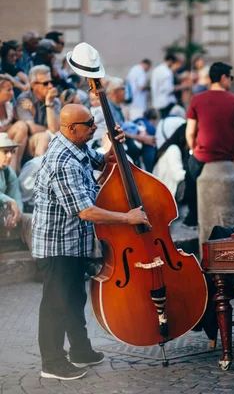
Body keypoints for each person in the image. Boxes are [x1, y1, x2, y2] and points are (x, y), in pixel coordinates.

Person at [32, 103, 150, 380]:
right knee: (56, 303)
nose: (95, 127)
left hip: (72, 242)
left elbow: (104, 161)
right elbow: (86, 211)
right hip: (57, 244)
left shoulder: (77, 146)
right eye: (89, 124)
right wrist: (127, 217)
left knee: (74, 298)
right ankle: (51, 362)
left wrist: (115, 147)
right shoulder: (63, 161)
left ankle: (80, 351)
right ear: (72, 128)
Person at [183, 62, 234, 228]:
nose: (231, 81)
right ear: (224, 77)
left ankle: (192, 217)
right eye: (231, 78)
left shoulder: (197, 99)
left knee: (189, 178)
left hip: (202, 156)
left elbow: (190, 132)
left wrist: (193, 148)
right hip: (228, 155)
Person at [16, 65, 60, 157]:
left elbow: (55, 129)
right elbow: (32, 129)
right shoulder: (24, 99)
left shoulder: (54, 101)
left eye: (51, 82)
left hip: (50, 139)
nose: (50, 86)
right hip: (28, 143)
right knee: (44, 137)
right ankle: (39, 169)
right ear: (33, 85)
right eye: (45, 83)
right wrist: (48, 130)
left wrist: (48, 103)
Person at [0, 132, 31, 249]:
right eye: (5, 152)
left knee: (30, 220)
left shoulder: (8, 172)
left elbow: (16, 197)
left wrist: (15, 215)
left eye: (11, 151)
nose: (9, 156)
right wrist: (9, 200)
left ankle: (40, 260)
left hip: (2, 216)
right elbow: (11, 200)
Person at [0, 76, 28, 173]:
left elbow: (21, 122)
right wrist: (10, 127)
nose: (12, 93)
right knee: (20, 126)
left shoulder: (8, 105)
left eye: (12, 89)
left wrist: (31, 110)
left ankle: (16, 165)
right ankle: (14, 169)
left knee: (22, 126)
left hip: (6, 140)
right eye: (9, 90)